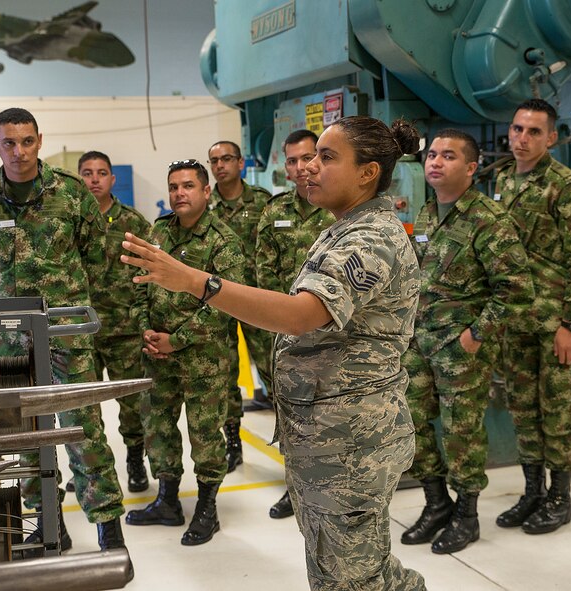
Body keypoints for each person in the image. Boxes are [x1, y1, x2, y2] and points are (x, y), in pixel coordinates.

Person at [122, 117, 426, 590]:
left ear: (368, 173)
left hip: (351, 443)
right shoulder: (342, 227)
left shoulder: (370, 239)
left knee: (352, 577)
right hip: (327, 435)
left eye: (326, 158)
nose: (309, 168)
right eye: (308, 157)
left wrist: (194, 281)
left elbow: (299, 315)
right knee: (347, 567)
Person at [0, 108, 127, 553]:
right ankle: (47, 523)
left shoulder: (71, 193)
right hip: (10, 340)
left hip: (65, 333)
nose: (19, 152)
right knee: (27, 433)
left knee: (83, 428)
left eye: (28, 141)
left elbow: (97, 256)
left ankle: (108, 524)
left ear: (40, 141)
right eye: (9, 143)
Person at [400, 129, 534, 554]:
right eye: (432, 154)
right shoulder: (425, 214)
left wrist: (475, 336)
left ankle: (467, 514)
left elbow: (515, 289)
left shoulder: (488, 221)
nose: (436, 162)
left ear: (472, 168)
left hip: (461, 350)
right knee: (412, 423)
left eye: (449, 156)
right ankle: (436, 502)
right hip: (420, 342)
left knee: (461, 434)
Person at [125, 159, 244, 546]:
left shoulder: (223, 241)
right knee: (158, 429)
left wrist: (176, 339)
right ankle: (167, 500)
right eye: (174, 186)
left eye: (188, 186)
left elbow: (226, 304)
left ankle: (207, 509)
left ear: (206, 192)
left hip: (202, 357)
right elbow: (139, 284)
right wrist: (145, 327)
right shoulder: (158, 232)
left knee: (205, 433)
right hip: (157, 354)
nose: (180, 193)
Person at [495, 98, 571, 535]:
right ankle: (533, 490)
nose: (523, 138)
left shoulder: (565, 186)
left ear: (552, 138)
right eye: (518, 129)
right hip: (518, 319)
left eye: (534, 132)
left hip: (555, 322)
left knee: (555, 413)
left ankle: (560, 497)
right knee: (523, 410)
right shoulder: (502, 181)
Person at [255, 129, 335, 520]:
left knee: (329, 413)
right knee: (288, 413)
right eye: (292, 161)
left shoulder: (340, 211)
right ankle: (295, 486)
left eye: (308, 158)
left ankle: (334, 485)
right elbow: (263, 274)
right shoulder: (274, 212)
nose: (301, 167)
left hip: (333, 335)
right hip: (286, 333)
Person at [78, 150, 152, 493]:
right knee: (83, 409)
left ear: (112, 179)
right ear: (79, 178)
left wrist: (144, 319)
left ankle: (135, 459)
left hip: (124, 329)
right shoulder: (71, 218)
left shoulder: (134, 223)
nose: (94, 179)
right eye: (87, 173)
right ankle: (91, 472)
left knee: (133, 404)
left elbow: (150, 274)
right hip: (80, 331)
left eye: (101, 172)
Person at [207, 140, 272, 472]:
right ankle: (233, 442)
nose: (220, 165)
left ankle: (290, 438)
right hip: (219, 305)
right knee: (226, 375)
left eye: (227, 158)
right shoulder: (206, 205)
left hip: (258, 302)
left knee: (273, 370)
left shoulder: (262, 203)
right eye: (214, 160)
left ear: (241, 162)